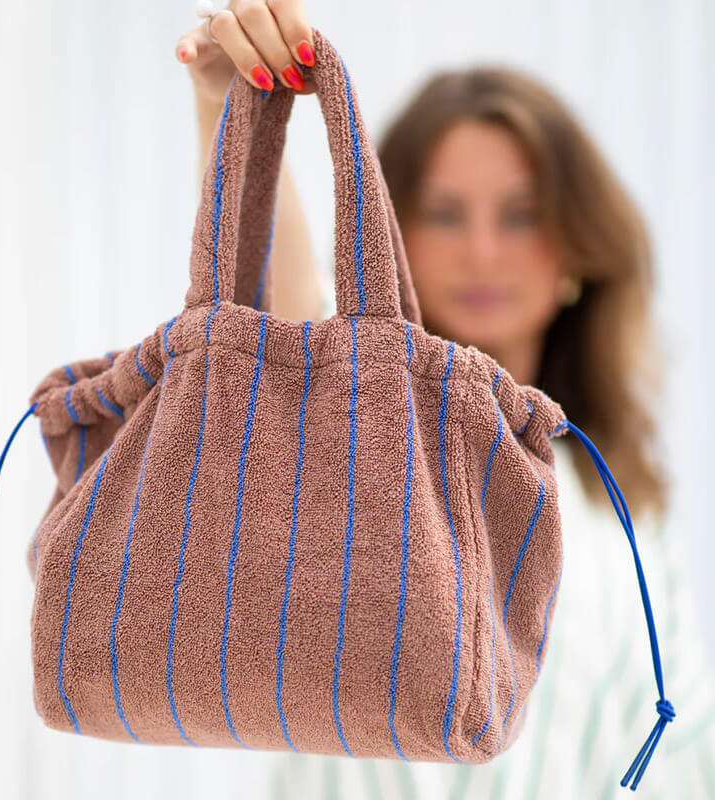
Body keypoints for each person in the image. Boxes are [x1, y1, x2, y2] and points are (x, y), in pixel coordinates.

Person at [175, 4, 715, 797]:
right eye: (444, 213)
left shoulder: (623, 505)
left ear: (577, 245)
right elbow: (274, 314)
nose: (483, 252)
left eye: (522, 216)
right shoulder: (353, 436)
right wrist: (230, 101)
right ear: (390, 232)